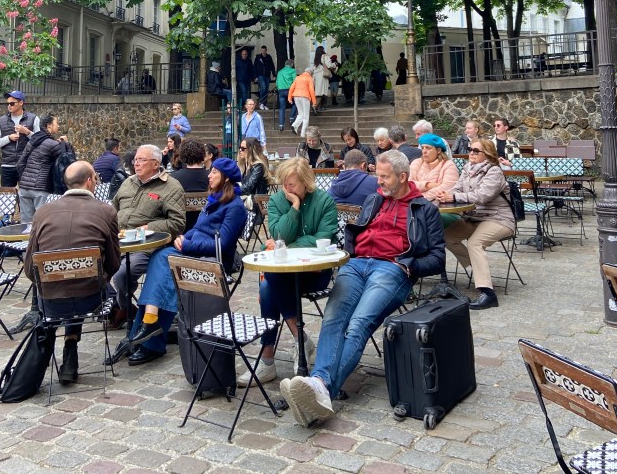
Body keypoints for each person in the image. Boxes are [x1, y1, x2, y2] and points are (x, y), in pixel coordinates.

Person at [279, 150, 445, 427]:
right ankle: (319, 386)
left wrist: (409, 266)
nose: (378, 181)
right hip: (357, 265)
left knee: (358, 324)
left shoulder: (424, 209)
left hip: (392, 268)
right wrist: (349, 253)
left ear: (403, 177)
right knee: (333, 318)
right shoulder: (374, 199)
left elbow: (438, 258)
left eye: (384, 177)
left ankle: (321, 387)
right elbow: (360, 230)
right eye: (377, 175)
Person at [122, 157, 248, 366]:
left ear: (226, 178)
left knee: (165, 264)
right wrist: (183, 237)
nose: (209, 175)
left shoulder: (235, 207)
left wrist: (187, 244)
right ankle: (146, 331)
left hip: (211, 261)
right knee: (162, 262)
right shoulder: (214, 199)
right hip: (191, 252)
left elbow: (222, 244)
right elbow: (198, 229)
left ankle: (147, 335)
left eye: (214, 172)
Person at [239, 157, 338, 385]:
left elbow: (323, 239)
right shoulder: (277, 200)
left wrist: (287, 245)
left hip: (314, 273)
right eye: (284, 184)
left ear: (306, 183)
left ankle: (267, 362)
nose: (286, 188)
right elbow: (279, 234)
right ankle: (299, 338)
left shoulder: (324, 201)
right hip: (283, 274)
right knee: (269, 284)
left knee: (270, 284)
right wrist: (294, 207)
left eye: (292, 184)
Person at [24, 161, 121, 384]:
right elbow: (114, 264)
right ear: (89, 181)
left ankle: (65, 348)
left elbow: (30, 267)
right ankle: (70, 345)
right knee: (83, 282)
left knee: (67, 284)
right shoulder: (106, 211)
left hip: (51, 303)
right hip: (90, 299)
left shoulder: (42, 212)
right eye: (95, 178)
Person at [109, 145, 186, 328]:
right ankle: (125, 308)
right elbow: (113, 209)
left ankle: (125, 310)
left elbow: (177, 223)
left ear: (155, 164)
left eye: (141, 160)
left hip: (147, 246)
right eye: (135, 159)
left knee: (121, 275)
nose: (136, 163)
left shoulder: (170, 186)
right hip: (118, 242)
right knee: (93, 269)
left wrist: (148, 227)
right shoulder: (128, 182)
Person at [435, 138, 515, 310]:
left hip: (498, 218)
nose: (471, 152)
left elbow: (482, 195)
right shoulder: (467, 168)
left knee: (474, 243)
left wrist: (454, 197)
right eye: (470, 149)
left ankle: (488, 294)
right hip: (475, 218)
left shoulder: (494, 171)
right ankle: (479, 269)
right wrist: (445, 195)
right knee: (446, 236)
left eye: (476, 151)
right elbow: (457, 188)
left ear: (488, 154)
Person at [16, 113, 71, 224]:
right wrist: (66, 144)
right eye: (56, 123)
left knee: (26, 225)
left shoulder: (32, 141)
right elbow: (67, 161)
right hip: (40, 188)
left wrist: (26, 180)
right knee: (42, 223)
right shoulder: (52, 144)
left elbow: (20, 164)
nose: (58, 126)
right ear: (49, 125)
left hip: (24, 188)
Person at [0, 90, 40, 188]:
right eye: (8, 103)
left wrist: (27, 132)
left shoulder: (33, 118)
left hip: (26, 164)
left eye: (12, 103)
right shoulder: (2, 120)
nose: (9, 106)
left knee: (26, 194)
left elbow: (40, 141)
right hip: (7, 165)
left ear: (21, 103)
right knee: (6, 195)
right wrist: (8, 138)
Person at [409, 134, 459, 200]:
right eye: (422, 148)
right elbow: (407, 185)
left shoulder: (448, 165)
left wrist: (420, 197)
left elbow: (447, 188)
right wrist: (428, 185)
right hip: (413, 202)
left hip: (438, 205)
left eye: (428, 148)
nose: (424, 151)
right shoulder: (417, 163)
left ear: (438, 150)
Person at [289, 67, 316, 139]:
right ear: (310, 72)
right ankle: (303, 133)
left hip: (296, 96)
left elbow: (291, 88)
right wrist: (314, 102)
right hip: (305, 97)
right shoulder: (309, 78)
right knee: (306, 116)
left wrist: (289, 98)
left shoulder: (298, 77)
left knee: (300, 114)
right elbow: (311, 90)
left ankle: (294, 125)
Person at [276, 58, 297, 132]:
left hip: (281, 91)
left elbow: (277, 82)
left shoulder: (280, 71)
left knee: (282, 108)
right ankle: (292, 118)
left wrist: (279, 88)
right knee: (295, 103)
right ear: (292, 64)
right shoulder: (293, 71)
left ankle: (281, 125)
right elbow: (295, 81)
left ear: (285, 64)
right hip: (290, 90)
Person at [254, 46, 276, 110]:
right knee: (263, 88)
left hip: (267, 75)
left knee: (266, 90)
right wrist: (255, 76)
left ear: (266, 50)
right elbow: (255, 66)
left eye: (264, 50)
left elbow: (272, 66)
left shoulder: (269, 57)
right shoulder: (258, 57)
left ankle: (264, 104)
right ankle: (261, 102)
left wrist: (274, 74)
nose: (263, 51)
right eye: (262, 50)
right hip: (260, 75)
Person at [312, 46, 332, 114]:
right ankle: (315, 106)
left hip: (316, 77)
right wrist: (334, 65)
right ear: (322, 50)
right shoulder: (325, 56)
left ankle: (318, 108)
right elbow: (329, 65)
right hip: (322, 76)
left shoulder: (316, 58)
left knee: (318, 93)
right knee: (322, 93)